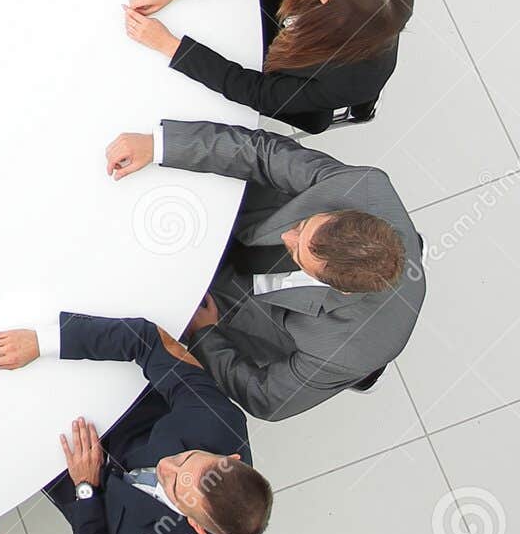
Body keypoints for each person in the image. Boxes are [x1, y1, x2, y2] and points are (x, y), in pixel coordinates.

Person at [104, 120, 425, 420]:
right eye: (303, 225)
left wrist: (207, 336)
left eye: (298, 250)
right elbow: (263, 153)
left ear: (339, 288)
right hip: (242, 223)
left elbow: (266, 398)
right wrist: (160, 145)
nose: (288, 236)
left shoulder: (342, 351)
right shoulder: (363, 187)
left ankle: (358, 379)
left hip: (250, 311)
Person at [0, 314, 272, 534]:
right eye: (185, 458)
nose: (165, 467)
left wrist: (86, 490)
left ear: (197, 525)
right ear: (229, 460)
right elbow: (149, 340)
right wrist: (43, 342)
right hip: (115, 408)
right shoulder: (220, 424)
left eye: (173, 486)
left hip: (78, 484)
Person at [126, 0, 414, 133]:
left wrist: (171, 46)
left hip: (287, 72)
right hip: (275, 5)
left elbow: (258, 93)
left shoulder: (353, 80)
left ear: (336, 16)